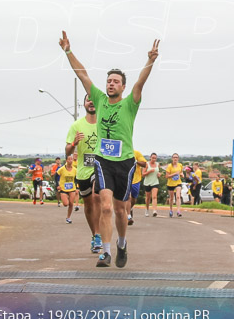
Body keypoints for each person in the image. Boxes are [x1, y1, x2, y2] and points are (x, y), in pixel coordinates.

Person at [60, 31, 160, 269]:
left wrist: (150, 61)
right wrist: (68, 51)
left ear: (123, 87)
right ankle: (105, 252)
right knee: (104, 205)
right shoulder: (100, 99)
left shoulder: (130, 103)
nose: (111, 84)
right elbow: (82, 74)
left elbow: (140, 82)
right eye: (109, 81)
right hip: (103, 160)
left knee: (119, 210)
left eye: (115, 81)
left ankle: (122, 243)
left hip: (125, 162)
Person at [67, 94, 103, 254]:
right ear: (84, 104)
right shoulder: (76, 125)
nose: (92, 102)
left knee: (97, 197)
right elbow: (67, 150)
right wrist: (74, 143)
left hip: (99, 167)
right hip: (83, 171)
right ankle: (94, 234)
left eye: (94, 99)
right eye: (89, 99)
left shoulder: (103, 123)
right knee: (88, 205)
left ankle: (99, 235)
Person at [127, 149, 147, 224]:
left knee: (133, 198)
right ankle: (128, 216)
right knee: (127, 197)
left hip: (136, 179)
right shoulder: (122, 152)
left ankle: (130, 208)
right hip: (126, 178)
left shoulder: (136, 153)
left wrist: (135, 161)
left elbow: (144, 164)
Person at [57, 154, 79, 223]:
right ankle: (65, 197)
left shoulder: (75, 170)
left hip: (72, 188)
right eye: (69, 159)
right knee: (66, 204)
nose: (70, 161)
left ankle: (68, 217)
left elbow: (77, 179)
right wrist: (57, 185)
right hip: (63, 189)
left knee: (71, 204)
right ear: (66, 160)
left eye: (71, 159)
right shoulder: (62, 169)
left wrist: (77, 187)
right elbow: (56, 176)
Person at [164, 152, 184, 217]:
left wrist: (182, 175)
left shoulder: (180, 165)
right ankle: (171, 210)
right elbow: (167, 176)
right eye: (174, 157)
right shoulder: (169, 166)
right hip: (170, 183)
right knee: (171, 198)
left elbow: (181, 173)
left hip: (178, 182)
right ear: (172, 158)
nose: (175, 158)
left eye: (176, 157)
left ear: (178, 158)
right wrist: (174, 174)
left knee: (178, 196)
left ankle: (178, 211)